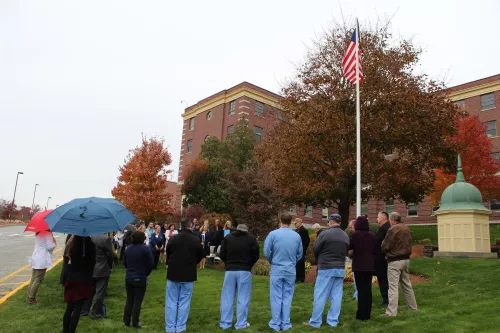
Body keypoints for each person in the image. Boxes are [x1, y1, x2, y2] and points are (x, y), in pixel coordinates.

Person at [304, 214, 349, 328]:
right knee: (336, 296)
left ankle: (315, 322)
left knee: (320, 295)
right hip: (339, 268)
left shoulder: (324, 234)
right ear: (339, 222)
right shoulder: (345, 235)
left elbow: (315, 249)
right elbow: (346, 251)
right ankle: (333, 321)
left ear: (331, 222)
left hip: (326, 268)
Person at [264, 214, 302, 332]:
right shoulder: (296, 236)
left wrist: (272, 261)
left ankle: (275, 323)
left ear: (280, 220)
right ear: (291, 221)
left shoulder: (273, 234)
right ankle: (285, 323)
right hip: (290, 270)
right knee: (287, 297)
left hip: (277, 269)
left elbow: (266, 252)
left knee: (276, 297)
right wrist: (292, 262)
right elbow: (299, 254)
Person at [165, 219, 204, 333]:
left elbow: (169, 253)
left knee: (171, 301)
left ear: (180, 226)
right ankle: (180, 327)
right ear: (190, 226)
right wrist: (192, 263)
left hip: (174, 273)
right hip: (188, 274)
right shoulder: (195, 240)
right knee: (184, 301)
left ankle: (170, 327)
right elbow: (200, 255)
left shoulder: (174, 239)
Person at [219, 224, 260, 330]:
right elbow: (256, 255)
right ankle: (241, 323)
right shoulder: (251, 238)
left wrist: (227, 263)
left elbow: (222, 253)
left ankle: (225, 323)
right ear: (246, 230)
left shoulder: (228, 238)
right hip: (244, 271)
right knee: (243, 297)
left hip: (230, 270)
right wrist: (248, 265)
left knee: (227, 297)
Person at [381, 212, 418, 317]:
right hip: (406, 259)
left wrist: (382, 246)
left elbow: (386, 245)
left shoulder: (393, 229)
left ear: (392, 220)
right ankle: (413, 307)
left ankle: (391, 312)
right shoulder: (406, 228)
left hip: (395, 260)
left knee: (392, 287)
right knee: (407, 284)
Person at [62, 236, 96, 333]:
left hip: (72, 278)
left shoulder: (72, 246)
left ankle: (65, 330)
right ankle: (72, 330)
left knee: (69, 308)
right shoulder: (90, 245)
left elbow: (68, 262)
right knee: (77, 309)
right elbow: (93, 263)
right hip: (84, 280)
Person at [123, 231, 154, 328]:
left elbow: (125, 263)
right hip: (140, 277)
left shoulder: (128, 249)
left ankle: (126, 322)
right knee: (137, 301)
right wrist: (146, 273)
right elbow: (150, 264)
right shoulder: (146, 249)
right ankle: (135, 323)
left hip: (129, 277)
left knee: (129, 299)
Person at [349, 216, 377, 321]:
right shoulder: (373, 235)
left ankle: (361, 315)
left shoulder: (355, 235)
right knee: (367, 290)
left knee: (361, 291)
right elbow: (375, 250)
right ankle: (367, 315)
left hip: (359, 266)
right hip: (369, 266)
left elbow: (350, 246)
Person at [81, 233, 114, 319]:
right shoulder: (105, 239)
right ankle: (96, 312)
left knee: (89, 290)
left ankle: (84, 310)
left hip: (91, 267)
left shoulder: (90, 237)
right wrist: (110, 266)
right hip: (102, 267)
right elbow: (110, 254)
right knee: (100, 291)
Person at [27, 230, 57, 304]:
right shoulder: (47, 233)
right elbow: (50, 247)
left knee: (33, 278)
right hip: (41, 258)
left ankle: (29, 297)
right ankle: (31, 299)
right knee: (38, 279)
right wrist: (54, 242)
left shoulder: (38, 232)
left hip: (36, 257)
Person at [375, 211, 391, 307]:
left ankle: (386, 299)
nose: (377, 219)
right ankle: (385, 298)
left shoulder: (386, 228)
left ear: (382, 218)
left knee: (383, 279)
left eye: (378, 217)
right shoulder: (383, 228)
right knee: (382, 279)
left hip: (383, 258)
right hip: (381, 258)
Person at [293, 218, 310, 284]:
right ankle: (297, 278)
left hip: (301, 250)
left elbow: (307, 241)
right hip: (296, 250)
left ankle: (301, 278)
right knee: (297, 264)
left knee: (301, 264)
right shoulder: (296, 231)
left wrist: (303, 249)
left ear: (299, 222)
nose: (295, 224)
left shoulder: (304, 230)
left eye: (295, 223)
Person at [348, 220, 358, 301]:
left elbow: (350, 248)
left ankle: (357, 295)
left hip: (357, 261)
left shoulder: (355, 236)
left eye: (351, 227)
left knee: (357, 279)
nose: (350, 229)